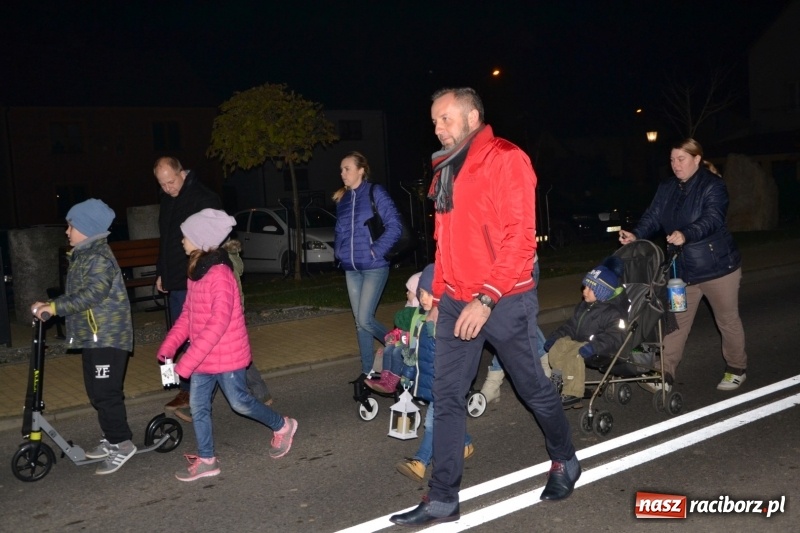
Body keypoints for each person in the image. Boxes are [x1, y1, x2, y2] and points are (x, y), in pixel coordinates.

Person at [390, 88, 580, 527]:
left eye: (445, 119)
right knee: (447, 397)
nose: (438, 128)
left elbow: (520, 239)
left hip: (504, 298)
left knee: (532, 387)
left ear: (473, 117)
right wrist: (438, 295)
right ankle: (442, 499)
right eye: (434, 121)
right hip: (457, 300)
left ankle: (565, 458)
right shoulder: (447, 167)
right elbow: (445, 241)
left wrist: (486, 298)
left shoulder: (506, 158)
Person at [157, 209, 298, 482]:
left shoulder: (220, 274)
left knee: (240, 403)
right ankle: (207, 459)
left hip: (227, 355)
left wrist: (186, 362)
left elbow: (217, 323)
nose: (182, 240)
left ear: (201, 239)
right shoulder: (196, 270)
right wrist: (169, 346)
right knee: (198, 406)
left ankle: (283, 426)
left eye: (186, 236)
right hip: (204, 356)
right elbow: (188, 314)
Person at [619, 138, 747, 391]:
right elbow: (653, 215)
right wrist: (636, 235)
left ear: (697, 159)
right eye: (672, 160)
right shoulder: (667, 187)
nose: (675, 165)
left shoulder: (713, 185)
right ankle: (664, 372)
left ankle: (736, 368)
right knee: (675, 322)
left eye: (681, 159)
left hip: (717, 268)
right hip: (681, 272)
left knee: (727, 320)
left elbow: (713, 218)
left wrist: (686, 234)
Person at [153, 156, 271, 420]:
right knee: (191, 336)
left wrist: (208, 277)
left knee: (210, 339)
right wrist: (162, 271)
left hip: (199, 278)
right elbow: (166, 240)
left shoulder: (203, 198)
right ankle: (254, 390)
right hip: (176, 277)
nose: (167, 188)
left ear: (182, 173)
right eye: (162, 184)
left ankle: (193, 395)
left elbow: (216, 241)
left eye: (170, 182)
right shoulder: (167, 200)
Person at [31, 199, 137, 475]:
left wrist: (54, 308)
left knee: (106, 392)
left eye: (71, 226)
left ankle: (122, 443)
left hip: (108, 336)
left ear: (88, 228)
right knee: (95, 391)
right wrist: (50, 304)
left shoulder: (98, 258)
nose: (67, 231)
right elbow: (78, 294)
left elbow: (92, 294)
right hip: (93, 337)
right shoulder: (83, 254)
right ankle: (111, 437)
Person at [394, 264, 474, 483]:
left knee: (433, 423)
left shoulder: (450, 320)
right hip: (428, 381)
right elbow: (413, 351)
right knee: (447, 419)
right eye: (421, 293)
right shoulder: (420, 319)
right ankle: (465, 444)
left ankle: (420, 462)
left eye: (429, 293)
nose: (423, 298)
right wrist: (407, 374)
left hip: (444, 383)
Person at [333, 151, 403, 381]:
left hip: (374, 265)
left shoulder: (375, 192)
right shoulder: (343, 200)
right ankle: (368, 372)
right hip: (351, 268)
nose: (342, 173)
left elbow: (395, 225)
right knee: (360, 324)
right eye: (341, 170)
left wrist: (376, 250)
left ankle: (398, 344)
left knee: (365, 319)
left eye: (347, 169)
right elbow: (340, 231)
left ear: (361, 170)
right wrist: (340, 252)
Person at [543, 256, 628, 408]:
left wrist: (593, 346)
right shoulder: (584, 306)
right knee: (559, 345)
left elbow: (615, 336)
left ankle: (573, 393)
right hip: (582, 343)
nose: (584, 291)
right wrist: (555, 337)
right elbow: (571, 326)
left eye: (590, 288)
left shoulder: (613, 313)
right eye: (585, 286)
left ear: (602, 293)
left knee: (574, 352)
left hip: (600, 350)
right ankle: (558, 379)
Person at [364, 271, 421, 394]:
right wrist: (391, 337)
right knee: (388, 349)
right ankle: (384, 379)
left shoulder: (420, 314)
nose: (406, 293)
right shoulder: (407, 311)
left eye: (409, 291)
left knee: (396, 352)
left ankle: (392, 382)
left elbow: (416, 335)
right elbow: (399, 331)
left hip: (413, 346)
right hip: (403, 342)